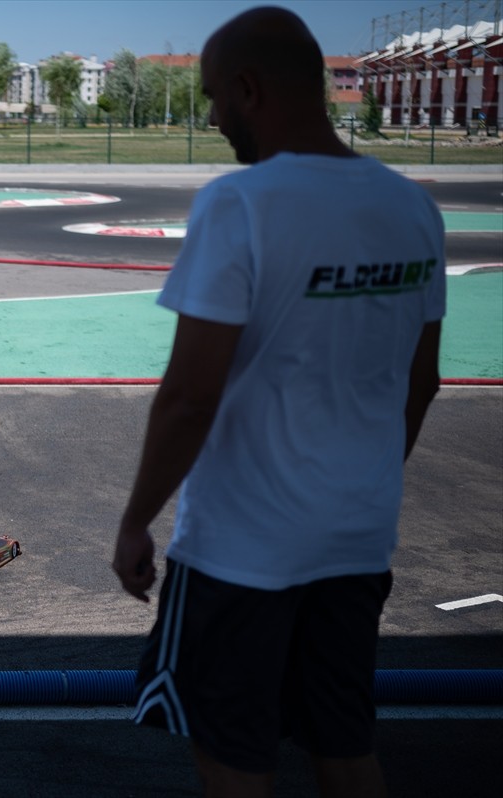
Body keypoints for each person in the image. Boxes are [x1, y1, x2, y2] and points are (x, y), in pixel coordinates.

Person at [110, 7, 444, 797]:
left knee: (235, 757)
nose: (214, 117)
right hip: (358, 535)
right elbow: (422, 382)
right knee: (345, 744)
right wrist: (355, 478)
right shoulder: (413, 207)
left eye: (213, 98)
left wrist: (135, 521)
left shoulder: (241, 204)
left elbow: (191, 394)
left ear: (248, 89)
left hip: (244, 548)